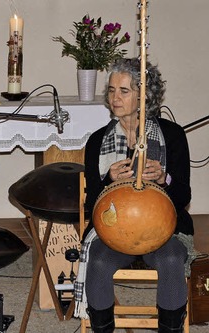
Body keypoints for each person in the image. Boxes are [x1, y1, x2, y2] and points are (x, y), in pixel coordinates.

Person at [76, 58, 194, 333]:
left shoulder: (173, 136)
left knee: (171, 259)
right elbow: (91, 203)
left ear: (144, 96)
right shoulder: (97, 141)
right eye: (111, 90)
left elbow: (183, 196)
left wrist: (163, 179)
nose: (115, 98)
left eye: (124, 91)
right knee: (100, 261)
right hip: (114, 230)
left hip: (162, 229)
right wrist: (108, 181)